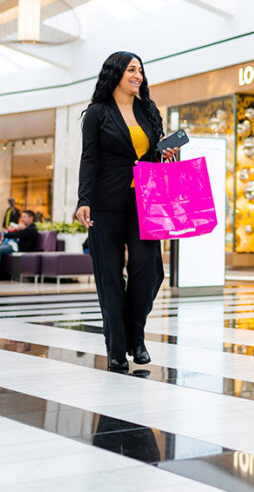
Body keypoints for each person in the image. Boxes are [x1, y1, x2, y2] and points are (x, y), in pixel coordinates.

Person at [75, 52, 179, 373]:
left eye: (141, 70)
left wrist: (166, 153)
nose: (138, 75)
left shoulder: (148, 111)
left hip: (145, 202)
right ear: (116, 73)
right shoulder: (97, 113)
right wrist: (84, 199)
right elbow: (89, 158)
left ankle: (134, 334)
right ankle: (118, 349)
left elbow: (151, 155)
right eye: (132, 69)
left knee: (150, 272)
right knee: (109, 276)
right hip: (106, 204)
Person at [0, 209, 38, 279]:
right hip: (10, 244)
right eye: (22, 217)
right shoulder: (24, 227)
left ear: (31, 218)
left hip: (17, 248)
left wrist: (8, 234)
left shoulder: (32, 229)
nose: (22, 219)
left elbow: (18, 234)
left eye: (24, 217)